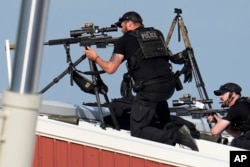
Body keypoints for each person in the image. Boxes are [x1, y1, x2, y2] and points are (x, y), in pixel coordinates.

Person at [84, 11, 198, 151]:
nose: (121, 29)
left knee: (138, 131)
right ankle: (171, 128)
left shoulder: (124, 40)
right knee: (160, 110)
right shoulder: (157, 33)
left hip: (150, 89)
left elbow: (110, 68)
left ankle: (176, 136)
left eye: (122, 25)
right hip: (168, 86)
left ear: (130, 23)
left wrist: (95, 57)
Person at [207, 82, 250, 150]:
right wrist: (221, 122)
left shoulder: (236, 108)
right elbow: (238, 135)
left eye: (223, 94)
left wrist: (213, 122)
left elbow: (214, 132)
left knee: (237, 143)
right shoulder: (244, 104)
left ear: (233, 94)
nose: (220, 97)